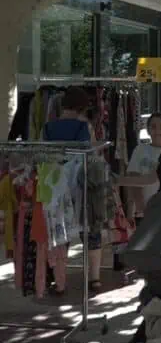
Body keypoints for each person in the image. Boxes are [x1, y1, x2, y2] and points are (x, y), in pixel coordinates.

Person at [41, 87, 102, 295]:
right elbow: (92, 154)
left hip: (55, 185)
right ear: (82, 107)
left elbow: (43, 155)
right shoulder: (84, 126)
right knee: (90, 231)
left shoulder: (48, 128)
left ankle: (60, 283)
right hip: (80, 184)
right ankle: (94, 279)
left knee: (60, 232)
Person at [124, 113, 161, 223]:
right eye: (153, 127)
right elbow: (132, 178)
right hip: (144, 211)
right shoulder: (140, 150)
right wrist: (137, 208)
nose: (158, 131)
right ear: (148, 130)